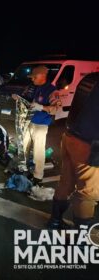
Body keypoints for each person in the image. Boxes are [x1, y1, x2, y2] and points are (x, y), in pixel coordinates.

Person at [47, 72, 99, 230]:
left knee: (66, 181)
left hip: (70, 135)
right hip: (89, 143)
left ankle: (55, 221)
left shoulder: (90, 78)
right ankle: (82, 239)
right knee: (88, 192)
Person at [12, 65, 61, 185]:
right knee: (24, 146)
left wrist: (41, 107)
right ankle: (22, 168)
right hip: (29, 122)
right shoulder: (35, 87)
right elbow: (29, 100)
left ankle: (38, 175)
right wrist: (19, 98)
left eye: (34, 77)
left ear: (42, 76)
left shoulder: (52, 90)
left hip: (41, 124)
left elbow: (56, 109)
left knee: (38, 151)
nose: (32, 79)